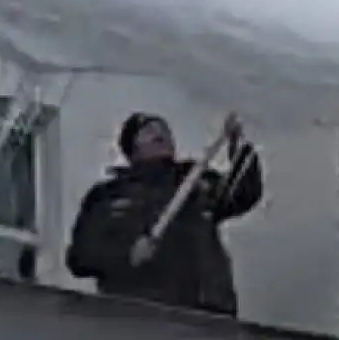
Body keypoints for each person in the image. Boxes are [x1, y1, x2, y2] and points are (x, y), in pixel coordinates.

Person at [66, 111, 264, 317]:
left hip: (205, 315)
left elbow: (241, 194)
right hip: (135, 316)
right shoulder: (106, 197)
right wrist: (127, 255)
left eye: (164, 130)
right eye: (148, 130)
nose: (159, 133)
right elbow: (80, 257)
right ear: (131, 145)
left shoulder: (196, 182)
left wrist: (237, 146)